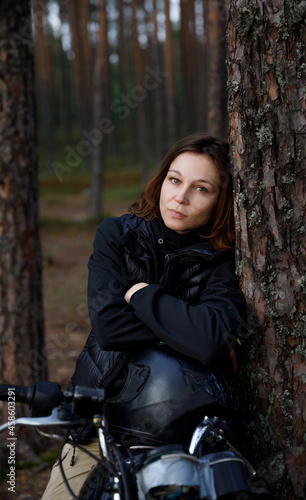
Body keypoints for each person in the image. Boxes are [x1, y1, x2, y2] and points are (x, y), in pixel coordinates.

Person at [42, 133, 247, 499]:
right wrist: (188, 329)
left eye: (201, 189)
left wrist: (143, 294)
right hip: (96, 426)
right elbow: (109, 326)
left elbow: (212, 339)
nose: (180, 198)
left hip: (180, 437)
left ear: (221, 202)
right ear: (161, 179)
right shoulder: (117, 235)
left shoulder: (221, 264)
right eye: (175, 179)